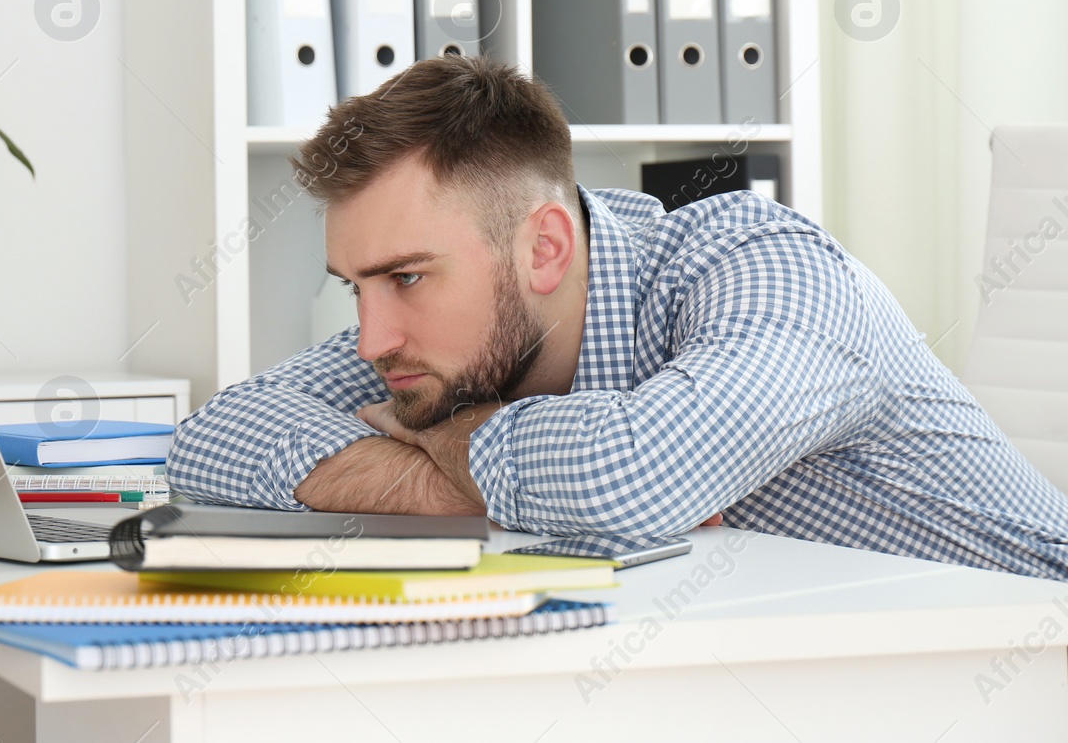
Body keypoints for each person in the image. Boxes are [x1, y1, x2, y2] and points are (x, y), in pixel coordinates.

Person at [166, 55, 1068, 580]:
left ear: (545, 249)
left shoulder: (767, 269)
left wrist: (450, 444)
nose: (372, 339)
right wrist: (435, 482)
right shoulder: (437, 339)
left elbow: (629, 480)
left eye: (405, 277)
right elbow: (208, 441)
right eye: (353, 286)